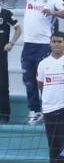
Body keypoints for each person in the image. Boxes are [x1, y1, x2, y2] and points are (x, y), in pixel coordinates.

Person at [24, 0, 64, 124]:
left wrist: (53, 13)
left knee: (46, 79)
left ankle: (50, 110)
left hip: (43, 44)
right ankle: (34, 111)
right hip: (28, 44)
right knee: (29, 80)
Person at [39, 33, 64, 162]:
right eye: (54, 41)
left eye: (59, 41)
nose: (56, 44)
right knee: (53, 146)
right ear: (50, 43)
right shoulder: (43, 64)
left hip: (63, 109)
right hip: (49, 110)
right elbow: (41, 85)